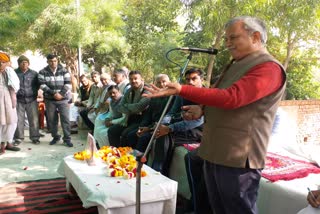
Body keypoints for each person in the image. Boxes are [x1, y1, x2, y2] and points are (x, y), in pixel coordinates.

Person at [144, 16, 286, 214]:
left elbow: (232, 97)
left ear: (255, 37)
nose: (227, 44)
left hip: (238, 157)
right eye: (227, 39)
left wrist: (181, 89)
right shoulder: (236, 64)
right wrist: (202, 109)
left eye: (233, 38)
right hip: (216, 150)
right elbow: (223, 98)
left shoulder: (268, 68)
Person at [126, 74, 171, 152]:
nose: (161, 85)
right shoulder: (154, 97)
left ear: (169, 82)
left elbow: (167, 118)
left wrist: (149, 128)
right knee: (131, 135)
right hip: (149, 126)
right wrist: (142, 126)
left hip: (160, 127)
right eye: (158, 83)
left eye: (164, 82)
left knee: (143, 138)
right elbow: (148, 114)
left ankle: (139, 162)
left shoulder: (171, 98)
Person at [108, 70, 150, 147]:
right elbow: (120, 107)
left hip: (142, 120)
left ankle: (126, 156)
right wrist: (132, 109)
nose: (133, 81)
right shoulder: (129, 90)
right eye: (131, 79)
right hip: (129, 118)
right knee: (112, 131)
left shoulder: (147, 90)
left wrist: (127, 106)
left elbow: (139, 107)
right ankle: (115, 153)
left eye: (135, 78)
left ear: (141, 79)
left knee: (126, 135)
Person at [38, 54, 73, 147]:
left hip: (63, 99)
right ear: (47, 61)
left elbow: (68, 84)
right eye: (51, 61)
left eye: (55, 61)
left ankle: (67, 139)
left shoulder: (64, 70)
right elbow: (42, 85)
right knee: (52, 120)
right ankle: (56, 137)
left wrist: (61, 94)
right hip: (50, 100)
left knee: (65, 119)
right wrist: (54, 93)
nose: (53, 63)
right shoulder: (42, 72)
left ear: (57, 61)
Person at [14, 55, 41, 145]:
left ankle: (35, 137)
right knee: (18, 120)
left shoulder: (34, 73)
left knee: (34, 119)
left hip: (31, 99)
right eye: (22, 62)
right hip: (19, 100)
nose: (24, 64)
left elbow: (38, 85)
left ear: (28, 63)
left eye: (26, 62)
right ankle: (18, 138)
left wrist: (33, 93)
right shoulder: (14, 73)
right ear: (19, 64)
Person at [0, 51, 21, 154]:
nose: (1, 64)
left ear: (6, 63)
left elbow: (15, 86)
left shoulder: (9, 71)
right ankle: (1, 145)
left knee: (11, 120)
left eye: (3, 62)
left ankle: (8, 143)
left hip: (8, 97)